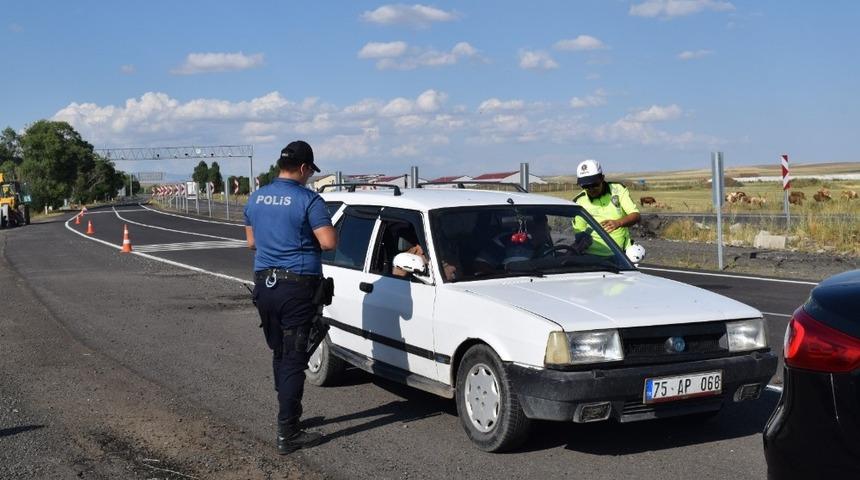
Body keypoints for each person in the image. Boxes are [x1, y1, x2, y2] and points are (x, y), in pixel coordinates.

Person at [244, 140, 337, 455]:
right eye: (310, 170)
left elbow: (251, 243)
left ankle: (289, 413)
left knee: (280, 352)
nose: (310, 176)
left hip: (264, 285)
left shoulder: (256, 197)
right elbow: (327, 242)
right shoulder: (309, 200)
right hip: (296, 286)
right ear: (303, 168)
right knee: (295, 360)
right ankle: (288, 433)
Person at [572, 159, 640, 256]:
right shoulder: (579, 201)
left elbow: (636, 215)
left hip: (621, 255)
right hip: (592, 256)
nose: (591, 189)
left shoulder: (618, 189)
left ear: (602, 178)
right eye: (586, 186)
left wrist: (618, 223)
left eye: (594, 184)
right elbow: (579, 232)